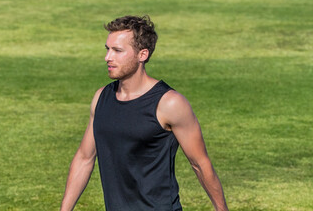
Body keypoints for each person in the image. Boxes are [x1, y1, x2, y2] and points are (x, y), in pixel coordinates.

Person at [60, 15, 228, 211]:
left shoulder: (169, 103)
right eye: (107, 49)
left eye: (117, 51)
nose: (108, 57)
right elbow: (84, 158)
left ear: (142, 55)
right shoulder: (101, 98)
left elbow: (200, 164)